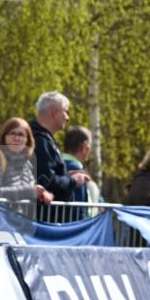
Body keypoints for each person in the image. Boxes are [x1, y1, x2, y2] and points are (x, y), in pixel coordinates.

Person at [0, 117, 53, 210]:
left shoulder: (26, 164)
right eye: (12, 133)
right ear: (4, 137)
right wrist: (30, 191)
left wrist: (41, 195)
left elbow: (27, 193)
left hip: (16, 221)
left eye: (21, 135)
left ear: (28, 140)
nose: (16, 138)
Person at [31, 92, 90, 221]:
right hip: (45, 222)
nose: (67, 117)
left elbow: (44, 174)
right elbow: (46, 180)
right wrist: (74, 181)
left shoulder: (41, 138)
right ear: (54, 112)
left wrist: (66, 176)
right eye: (65, 111)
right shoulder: (40, 141)